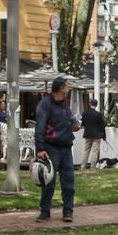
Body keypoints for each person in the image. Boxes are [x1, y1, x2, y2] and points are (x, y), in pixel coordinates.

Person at [34, 77, 81, 223]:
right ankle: (45, 211)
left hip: (66, 146)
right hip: (51, 147)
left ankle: (68, 211)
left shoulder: (65, 104)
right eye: (67, 87)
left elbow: (69, 120)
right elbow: (40, 126)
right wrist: (40, 148)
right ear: (60, 89)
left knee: (68, 181)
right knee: (49, 181)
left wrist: (74, 125)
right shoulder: (45, 104)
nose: (68, 89)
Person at [81, 98, 106, 170]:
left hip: (87, 134)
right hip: (97, 135)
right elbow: (102, 126)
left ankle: (83, 166)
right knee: (95, 151)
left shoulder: (85, 113)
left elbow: (83, 124)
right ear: (96, 105)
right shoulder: (98, 114)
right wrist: (104, 136)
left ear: (90, 104)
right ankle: (92, 166)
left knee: (86, 150)